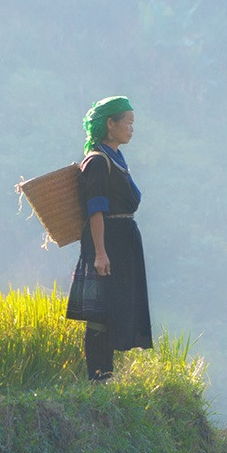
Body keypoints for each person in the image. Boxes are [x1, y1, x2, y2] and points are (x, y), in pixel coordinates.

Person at [66, 95, 152, 379]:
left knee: (115, 306)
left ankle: (107, 374)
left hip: (122, 241)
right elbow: (96, 209)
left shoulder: (116, 157)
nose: (131, 128)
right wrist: (101, 253)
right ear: (110, 124)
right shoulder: (98, 162)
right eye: (127, 122)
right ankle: (98, 375)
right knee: (100, 313)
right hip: (107, 241)